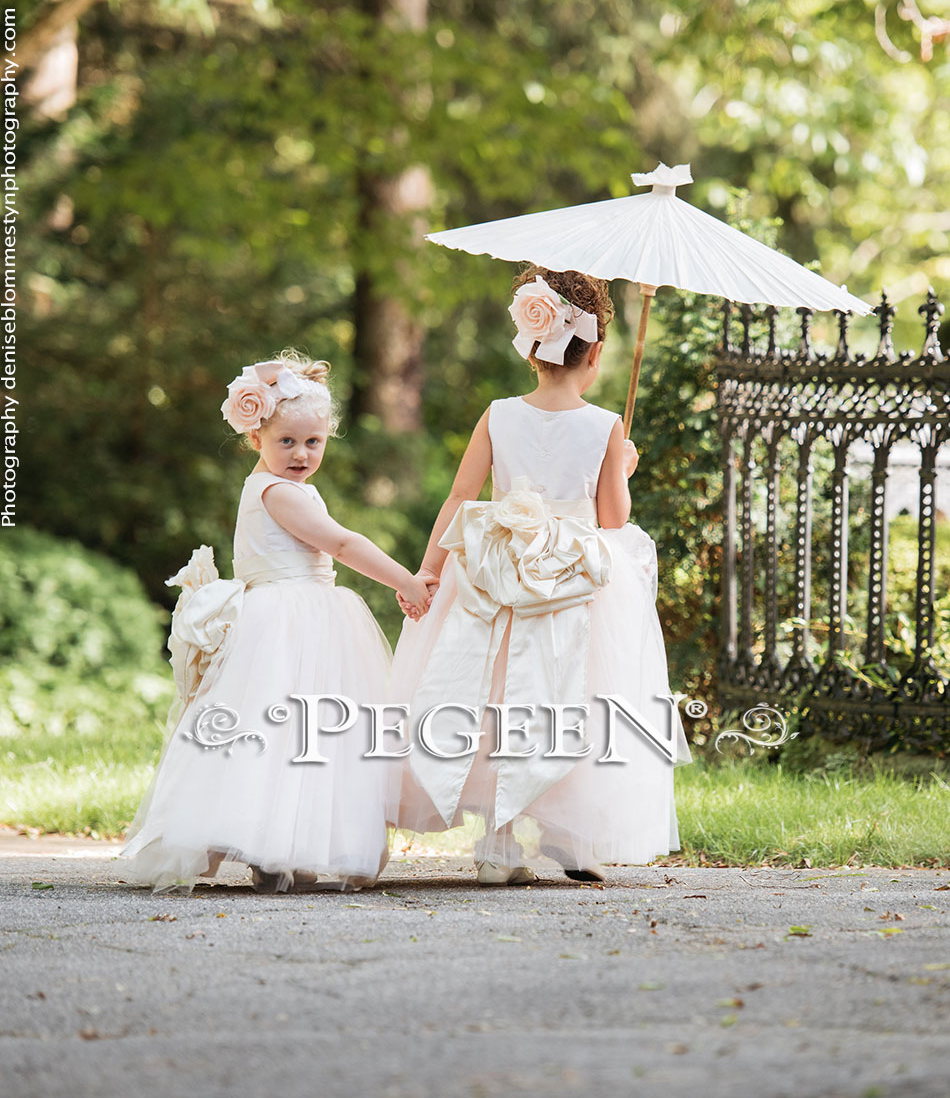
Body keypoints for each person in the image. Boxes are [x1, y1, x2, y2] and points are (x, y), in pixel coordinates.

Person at [392, 268, 692, 885]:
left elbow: (458, 497)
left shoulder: (499, 413)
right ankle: (572, 838)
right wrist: (622, 467)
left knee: (492, 694)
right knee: (567, 694)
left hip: (495, 571)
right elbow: (611, 519)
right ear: (597, 354)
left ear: (532, 343)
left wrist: (428, 571)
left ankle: (498, 846)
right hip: (570, 579)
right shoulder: (606, 424)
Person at [119, 352, 433, 894]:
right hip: (284, 620)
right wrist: (404, 579)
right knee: (273, 729)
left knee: (306, 734)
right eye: (287, 441)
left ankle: (291, 843)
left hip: (309, 615)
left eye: (314, 442)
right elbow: (340, 542)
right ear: (255, 436)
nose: (302, 453)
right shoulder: (275, 490)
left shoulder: (292, 486)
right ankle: (258, 842)